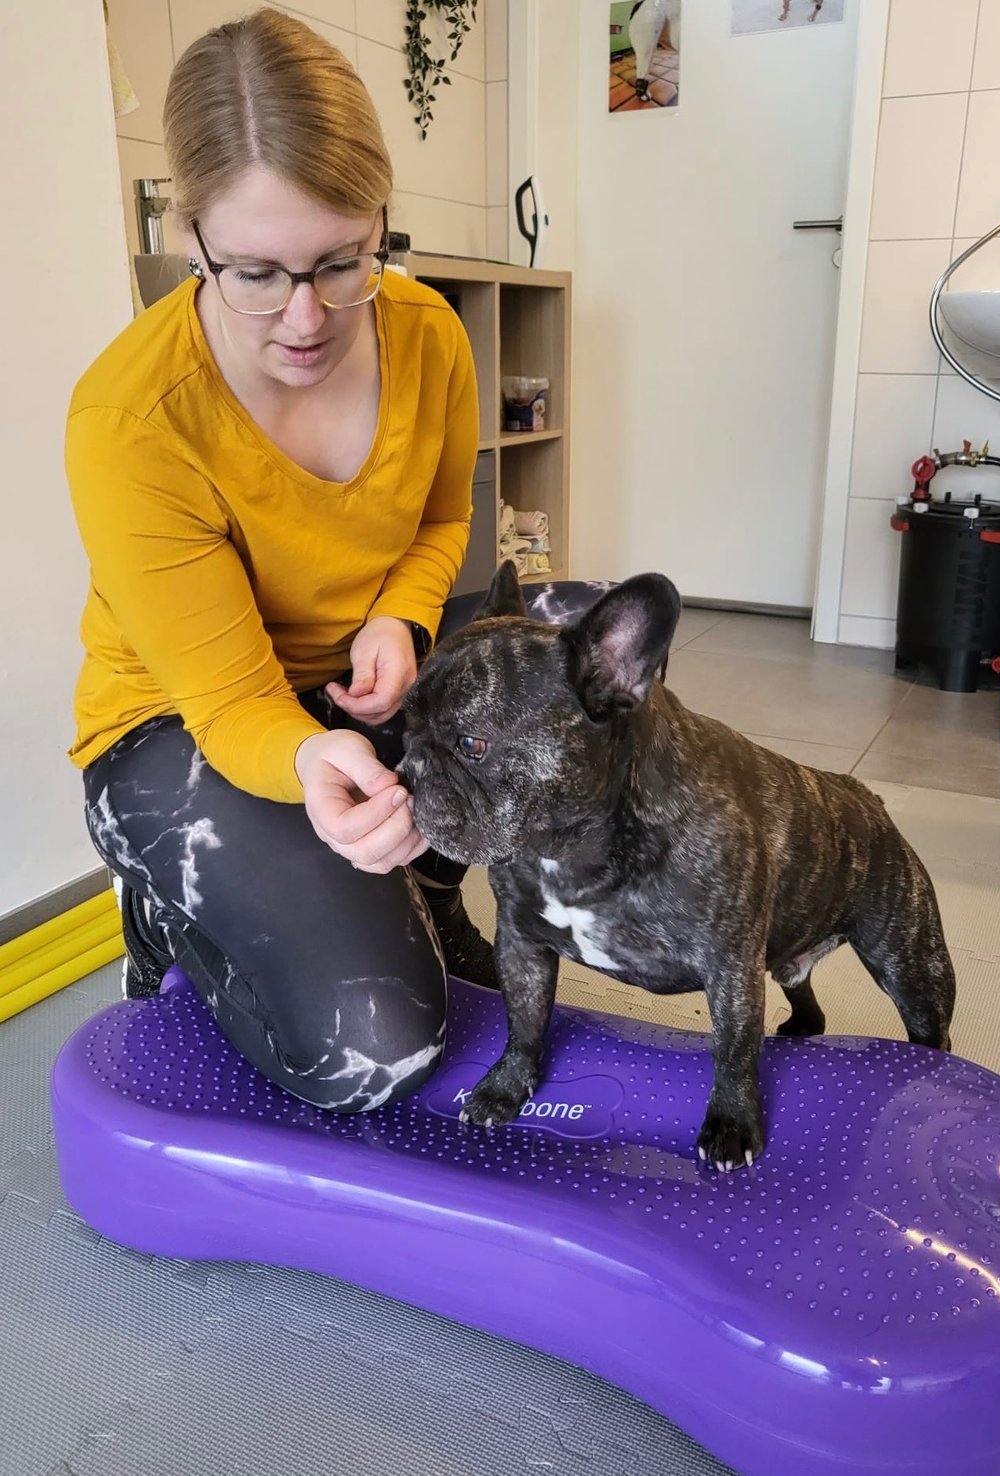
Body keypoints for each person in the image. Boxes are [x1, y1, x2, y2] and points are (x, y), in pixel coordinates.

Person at [67, 8, 600, 1114]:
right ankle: (169, 913)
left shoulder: (428, 334)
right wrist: (312, 758)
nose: (306, 319)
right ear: (191, 235)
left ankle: (423, 895)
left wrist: (401, 619)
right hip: (182, 721)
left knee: (571, 696)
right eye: (256, 272)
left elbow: (441, 522)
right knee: (377, 1050)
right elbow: (230, 702)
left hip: (351, 686)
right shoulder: (132, 419)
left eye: (343, 262)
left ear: (380, 223)